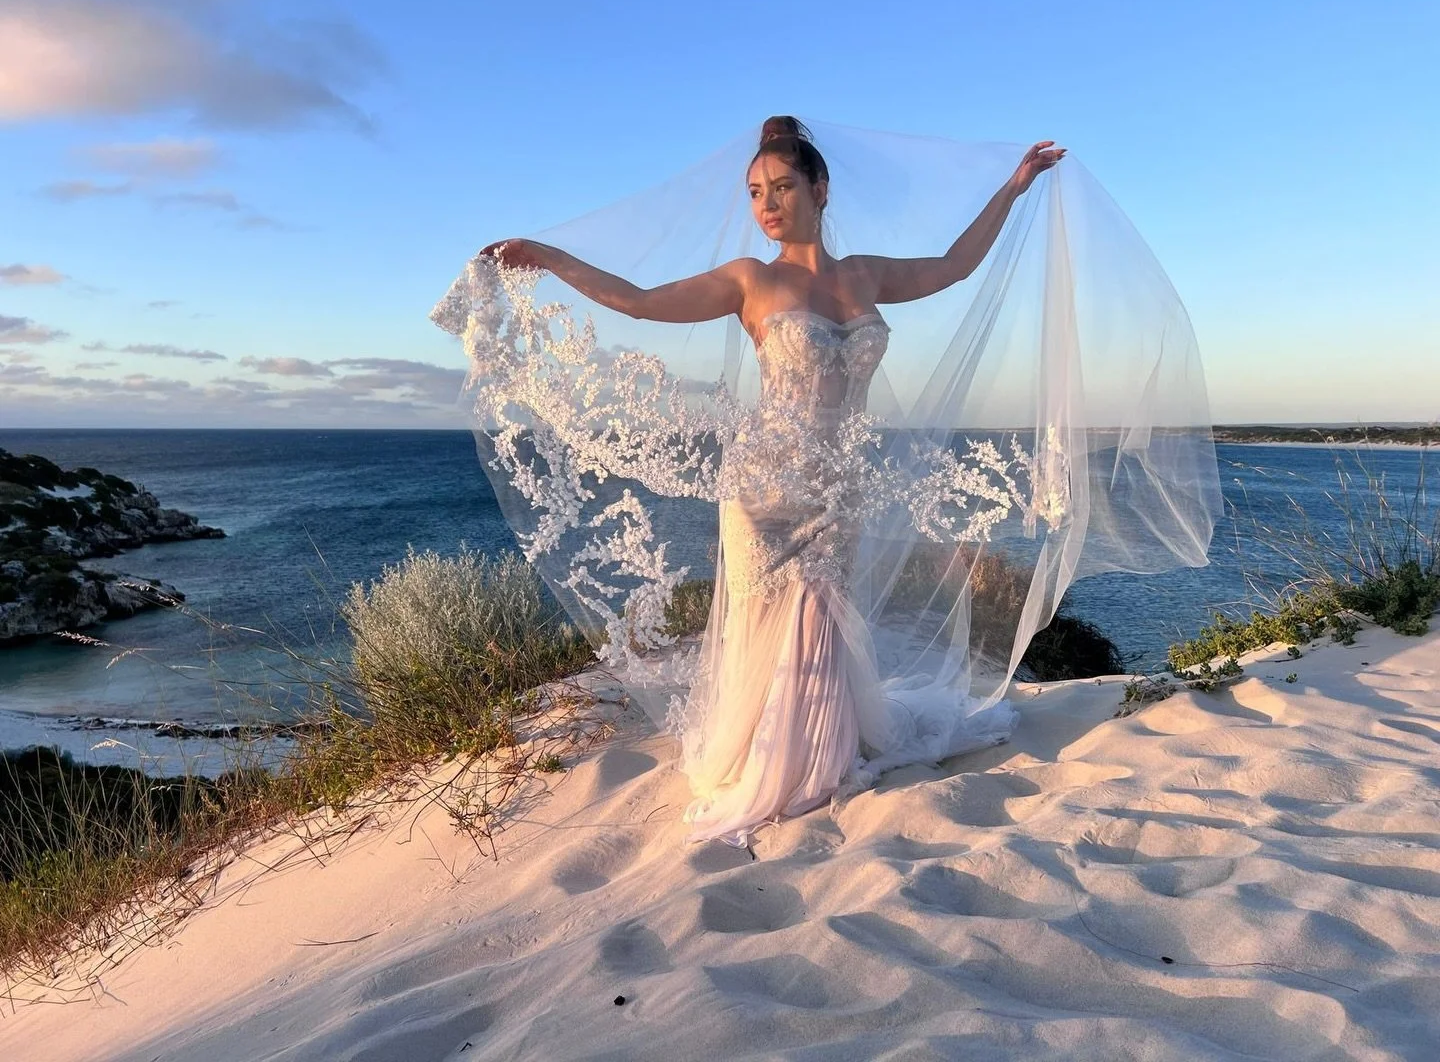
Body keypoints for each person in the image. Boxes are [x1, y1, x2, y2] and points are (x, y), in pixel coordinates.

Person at [433, 117, 1218, 850]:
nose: (766, 206)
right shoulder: (748, 281)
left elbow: (953, 266)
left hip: (836, 492)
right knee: (772, 637)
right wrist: (549, 256)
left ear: (820, 190)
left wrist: (1012, 190)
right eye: (755, 193)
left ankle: (821, 759)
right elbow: (639, 305)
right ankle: (772, 769)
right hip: (764, 493)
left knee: (823, 632)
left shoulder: (864, 276)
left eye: (780, 188)